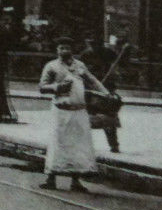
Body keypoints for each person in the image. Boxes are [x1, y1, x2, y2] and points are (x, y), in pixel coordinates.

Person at [38, 38, 111, 192]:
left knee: (78, 145)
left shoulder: (80, 66)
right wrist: (58, 87)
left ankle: (76, 180)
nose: (64, 51)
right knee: (58, 144)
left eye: (67, 48)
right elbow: (42, 87)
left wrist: (106, 93)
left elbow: (92, 81)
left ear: (72, 50)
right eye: (61, 48)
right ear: (57, 50)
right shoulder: (51, 66)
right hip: (61, 111)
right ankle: (51, 178)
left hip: (79, 110)